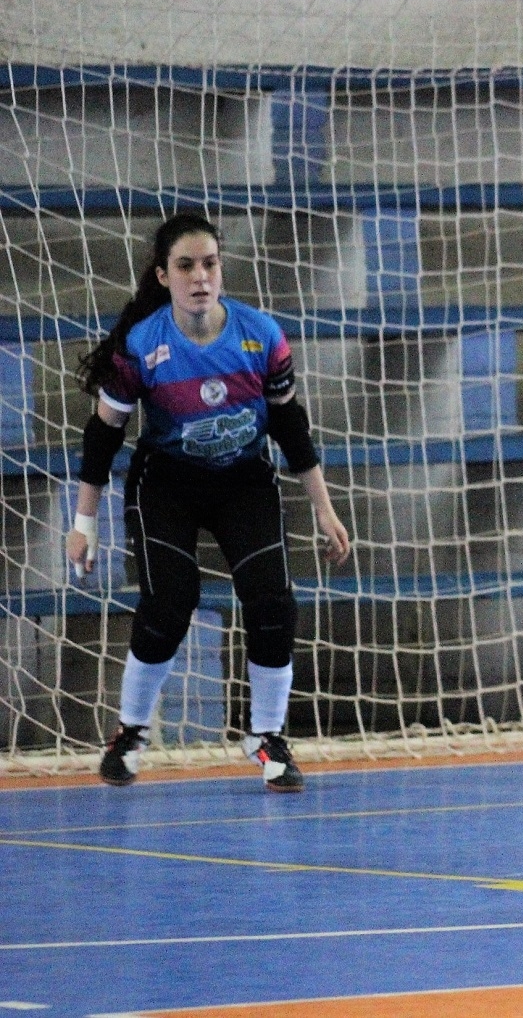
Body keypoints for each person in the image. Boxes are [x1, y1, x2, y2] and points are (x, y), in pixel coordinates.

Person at [68, 213, 351, 792]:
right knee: (172, 599)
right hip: (166, 481)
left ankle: (267, 738)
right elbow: (103, 437)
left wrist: (324, 507)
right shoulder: (142, 346)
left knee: (272, 598)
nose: (201, 276)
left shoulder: (261, 337)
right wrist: (83, 522)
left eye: (210, 264)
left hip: (242, 480)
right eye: (186, 266)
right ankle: (130, 734)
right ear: (164, 276)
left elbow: (290, 425)